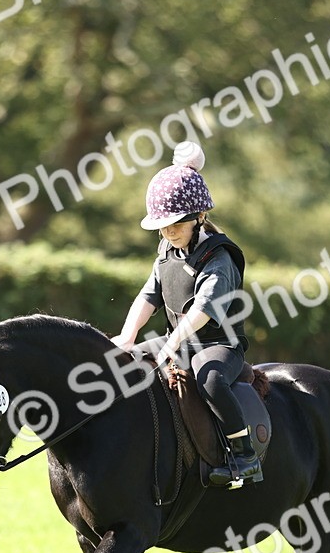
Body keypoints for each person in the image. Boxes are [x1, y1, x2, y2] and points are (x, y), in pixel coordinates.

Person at [110, 141, 262, 487]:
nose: (168, 231)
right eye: (162, 226)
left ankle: (244, 454)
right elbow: (150, 294)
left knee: (208, 378)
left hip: (218, 344)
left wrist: (169, 345)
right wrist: (128, 336)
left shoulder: (218, 259)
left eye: (176, 223)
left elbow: (202, 312)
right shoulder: (167, 250)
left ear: (199, 217)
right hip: (177, 341)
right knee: (126, 361)